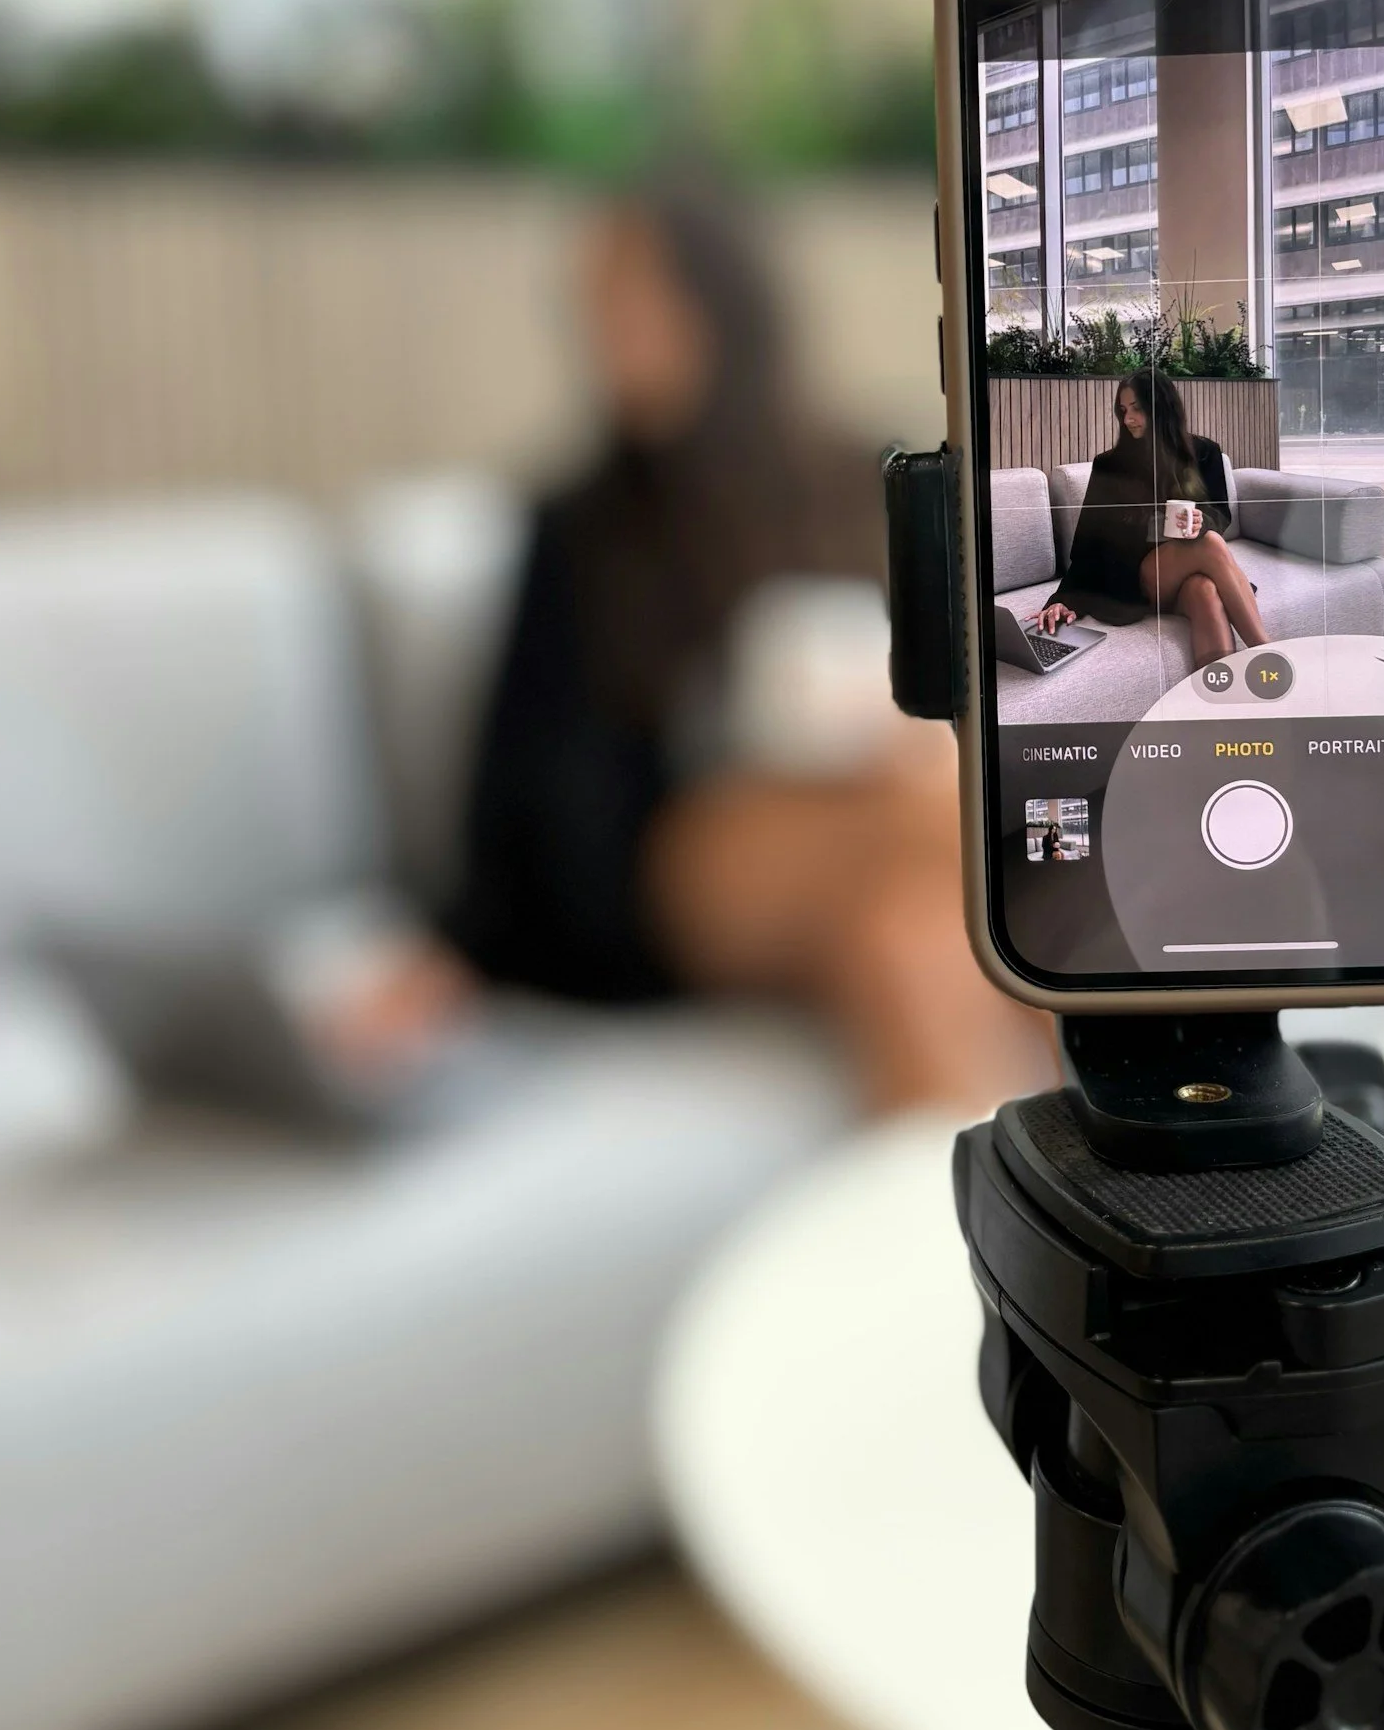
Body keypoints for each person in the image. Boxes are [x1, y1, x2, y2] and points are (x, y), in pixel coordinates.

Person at [419, 177, 1049, 1114]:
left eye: (636, 294)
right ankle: (1147, 1040)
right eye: (596, 302)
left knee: (904, 935)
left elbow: (968, 669)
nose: (610, 328)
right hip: (680, 853)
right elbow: (514, 778)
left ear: (719, 300)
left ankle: (988, 1192)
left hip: (873, 813)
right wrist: (451, 953)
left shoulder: (856, 476)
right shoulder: (580, 525)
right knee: (950, 813)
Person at [1033, 365, 1270, 672]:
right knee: (1210, 543)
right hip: (1134, 580)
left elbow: (1219, 513)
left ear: (1161, 407)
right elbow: (1087, 542)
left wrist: (1201, 521)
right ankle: (1267, 655)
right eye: (1123, 410)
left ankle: (1218, 692)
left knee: (1205, 591)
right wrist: (1063, 598)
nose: (1128, 419)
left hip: (1185, 575)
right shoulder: (1110, 465)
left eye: (1137, 409)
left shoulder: (1204, 452)